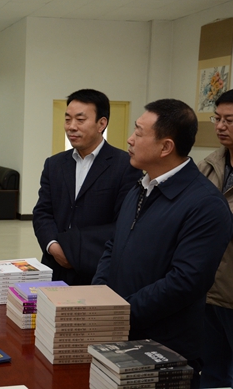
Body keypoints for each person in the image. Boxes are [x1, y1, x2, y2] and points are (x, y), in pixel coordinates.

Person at [92, 98, 233, 386]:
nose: (130, 139)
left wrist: (123, 311)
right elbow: (114, 245)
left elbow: (186, 281)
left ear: (165, 147)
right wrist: (101, 296)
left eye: (139, 132)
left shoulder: (205, 204)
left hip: (164, 349)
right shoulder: (140, 187)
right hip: (120, 332)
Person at [33, 89, 141, 285]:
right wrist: (53, 246)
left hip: (97, 270)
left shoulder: (125, 166)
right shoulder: (54, 164)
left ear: (102, 123)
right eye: (68, 119)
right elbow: (43, 212)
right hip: (54, 266)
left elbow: (124, 223)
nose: (71, 127)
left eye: (80, 120)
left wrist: (75, 253)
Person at [197, 89, 233, 388]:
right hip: (207, 291)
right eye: (217, 118)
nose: (220, 126)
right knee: (210, 372)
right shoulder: (208, 165)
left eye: (229, 120)